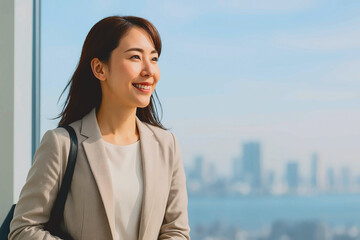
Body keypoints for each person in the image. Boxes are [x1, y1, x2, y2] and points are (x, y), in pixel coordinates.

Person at [9, 15, 191, 240]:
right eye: (135, 57)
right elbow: (23, 229)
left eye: (154, 59)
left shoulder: (166, 145)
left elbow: (176, 231)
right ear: (99, 68)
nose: (149, 71)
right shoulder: (61, 144)